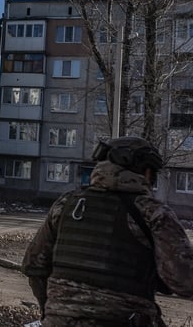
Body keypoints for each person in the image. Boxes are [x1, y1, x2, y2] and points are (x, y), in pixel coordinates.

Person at [22, 136, 193, 327]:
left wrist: (54, 311)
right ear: (146, 172)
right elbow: (184, 280)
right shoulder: (152, 213)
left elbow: (33, 265)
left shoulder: (66, 204)